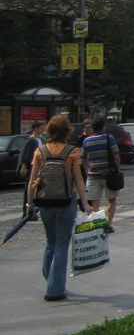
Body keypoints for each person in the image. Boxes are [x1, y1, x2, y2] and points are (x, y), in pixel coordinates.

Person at [27, 114, 89, 302]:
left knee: (50, 243)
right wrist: (85, 203)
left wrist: (30, 204)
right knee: (62, 244)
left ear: (49, 131)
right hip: (66, 201)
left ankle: (51, 280)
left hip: (45, 202)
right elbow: (78, 180)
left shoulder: (40, 151)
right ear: (67, 131)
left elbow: (33, 180)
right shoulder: (72, 152)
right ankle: (55, 289)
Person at [81, 116, 123, 233]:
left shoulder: (87, 140)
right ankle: (108, 224)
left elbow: (83, 159)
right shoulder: (109, 139)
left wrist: (87, 169)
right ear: (103, 126)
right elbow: (116, 156)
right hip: (109, 175)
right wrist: (118, 170)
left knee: (95, 202)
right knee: (112, 200)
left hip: (93, 175)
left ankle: (96, 224)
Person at [17, 121, 44, 220]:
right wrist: (23, 165)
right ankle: (27, 212)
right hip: (32, 168)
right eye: (41, 128)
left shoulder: (41, 139)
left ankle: (36, 210)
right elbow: (25, 154)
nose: (43, 129)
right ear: (35, 128)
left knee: (40, 190)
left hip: (41, 169)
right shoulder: (31, 140)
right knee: (30, 188)